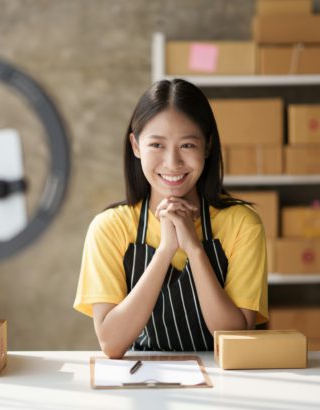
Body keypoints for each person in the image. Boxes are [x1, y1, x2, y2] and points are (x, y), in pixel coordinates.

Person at [73, 79, 268, 358]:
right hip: (142, 383)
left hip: (224, 382)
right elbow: (112, 344)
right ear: (136, 145)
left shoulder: (242, 224)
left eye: (187, 145)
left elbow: (236, 338)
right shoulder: (109, 228)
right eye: (156, 145)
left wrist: (194, 249)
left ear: (208, 146)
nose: (172, 162)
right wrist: (165, 251)